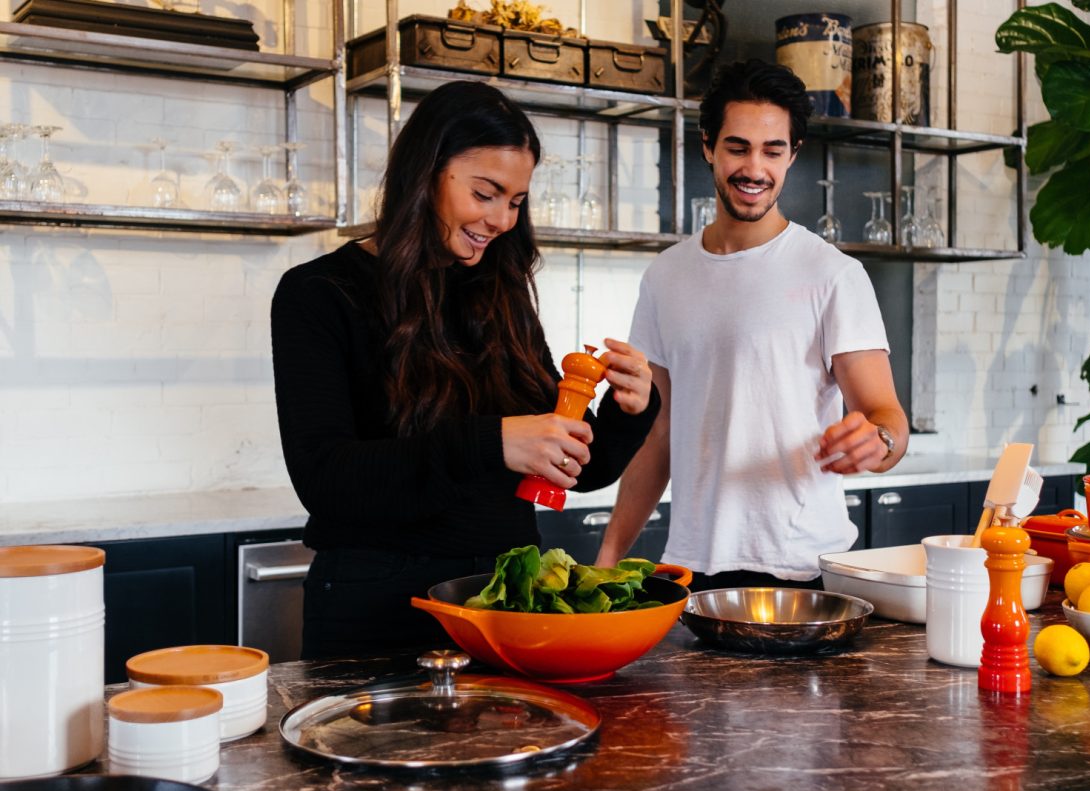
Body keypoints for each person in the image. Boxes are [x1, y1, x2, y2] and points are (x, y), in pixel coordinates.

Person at [271, 81, 660, 659]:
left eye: (516, 201)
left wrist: (628, 411)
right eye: (486, 193)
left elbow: (570, 471)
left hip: (506, 605)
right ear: (426, 172)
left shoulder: (500, 294)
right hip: (376, 613)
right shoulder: (319, 294)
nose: (502, 219)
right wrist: (492, 443)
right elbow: (326, 480)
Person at [595, 59, 908, 591]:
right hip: (692, 569)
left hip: (803, 569)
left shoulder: (833, 274)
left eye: (773, 150)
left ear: (793, 155)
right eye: (738, 147)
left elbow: (887, 420)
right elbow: (658, 433)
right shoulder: (666, 275)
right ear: (708, 147)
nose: (754, 169)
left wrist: (876, 442)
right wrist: (607, 559)